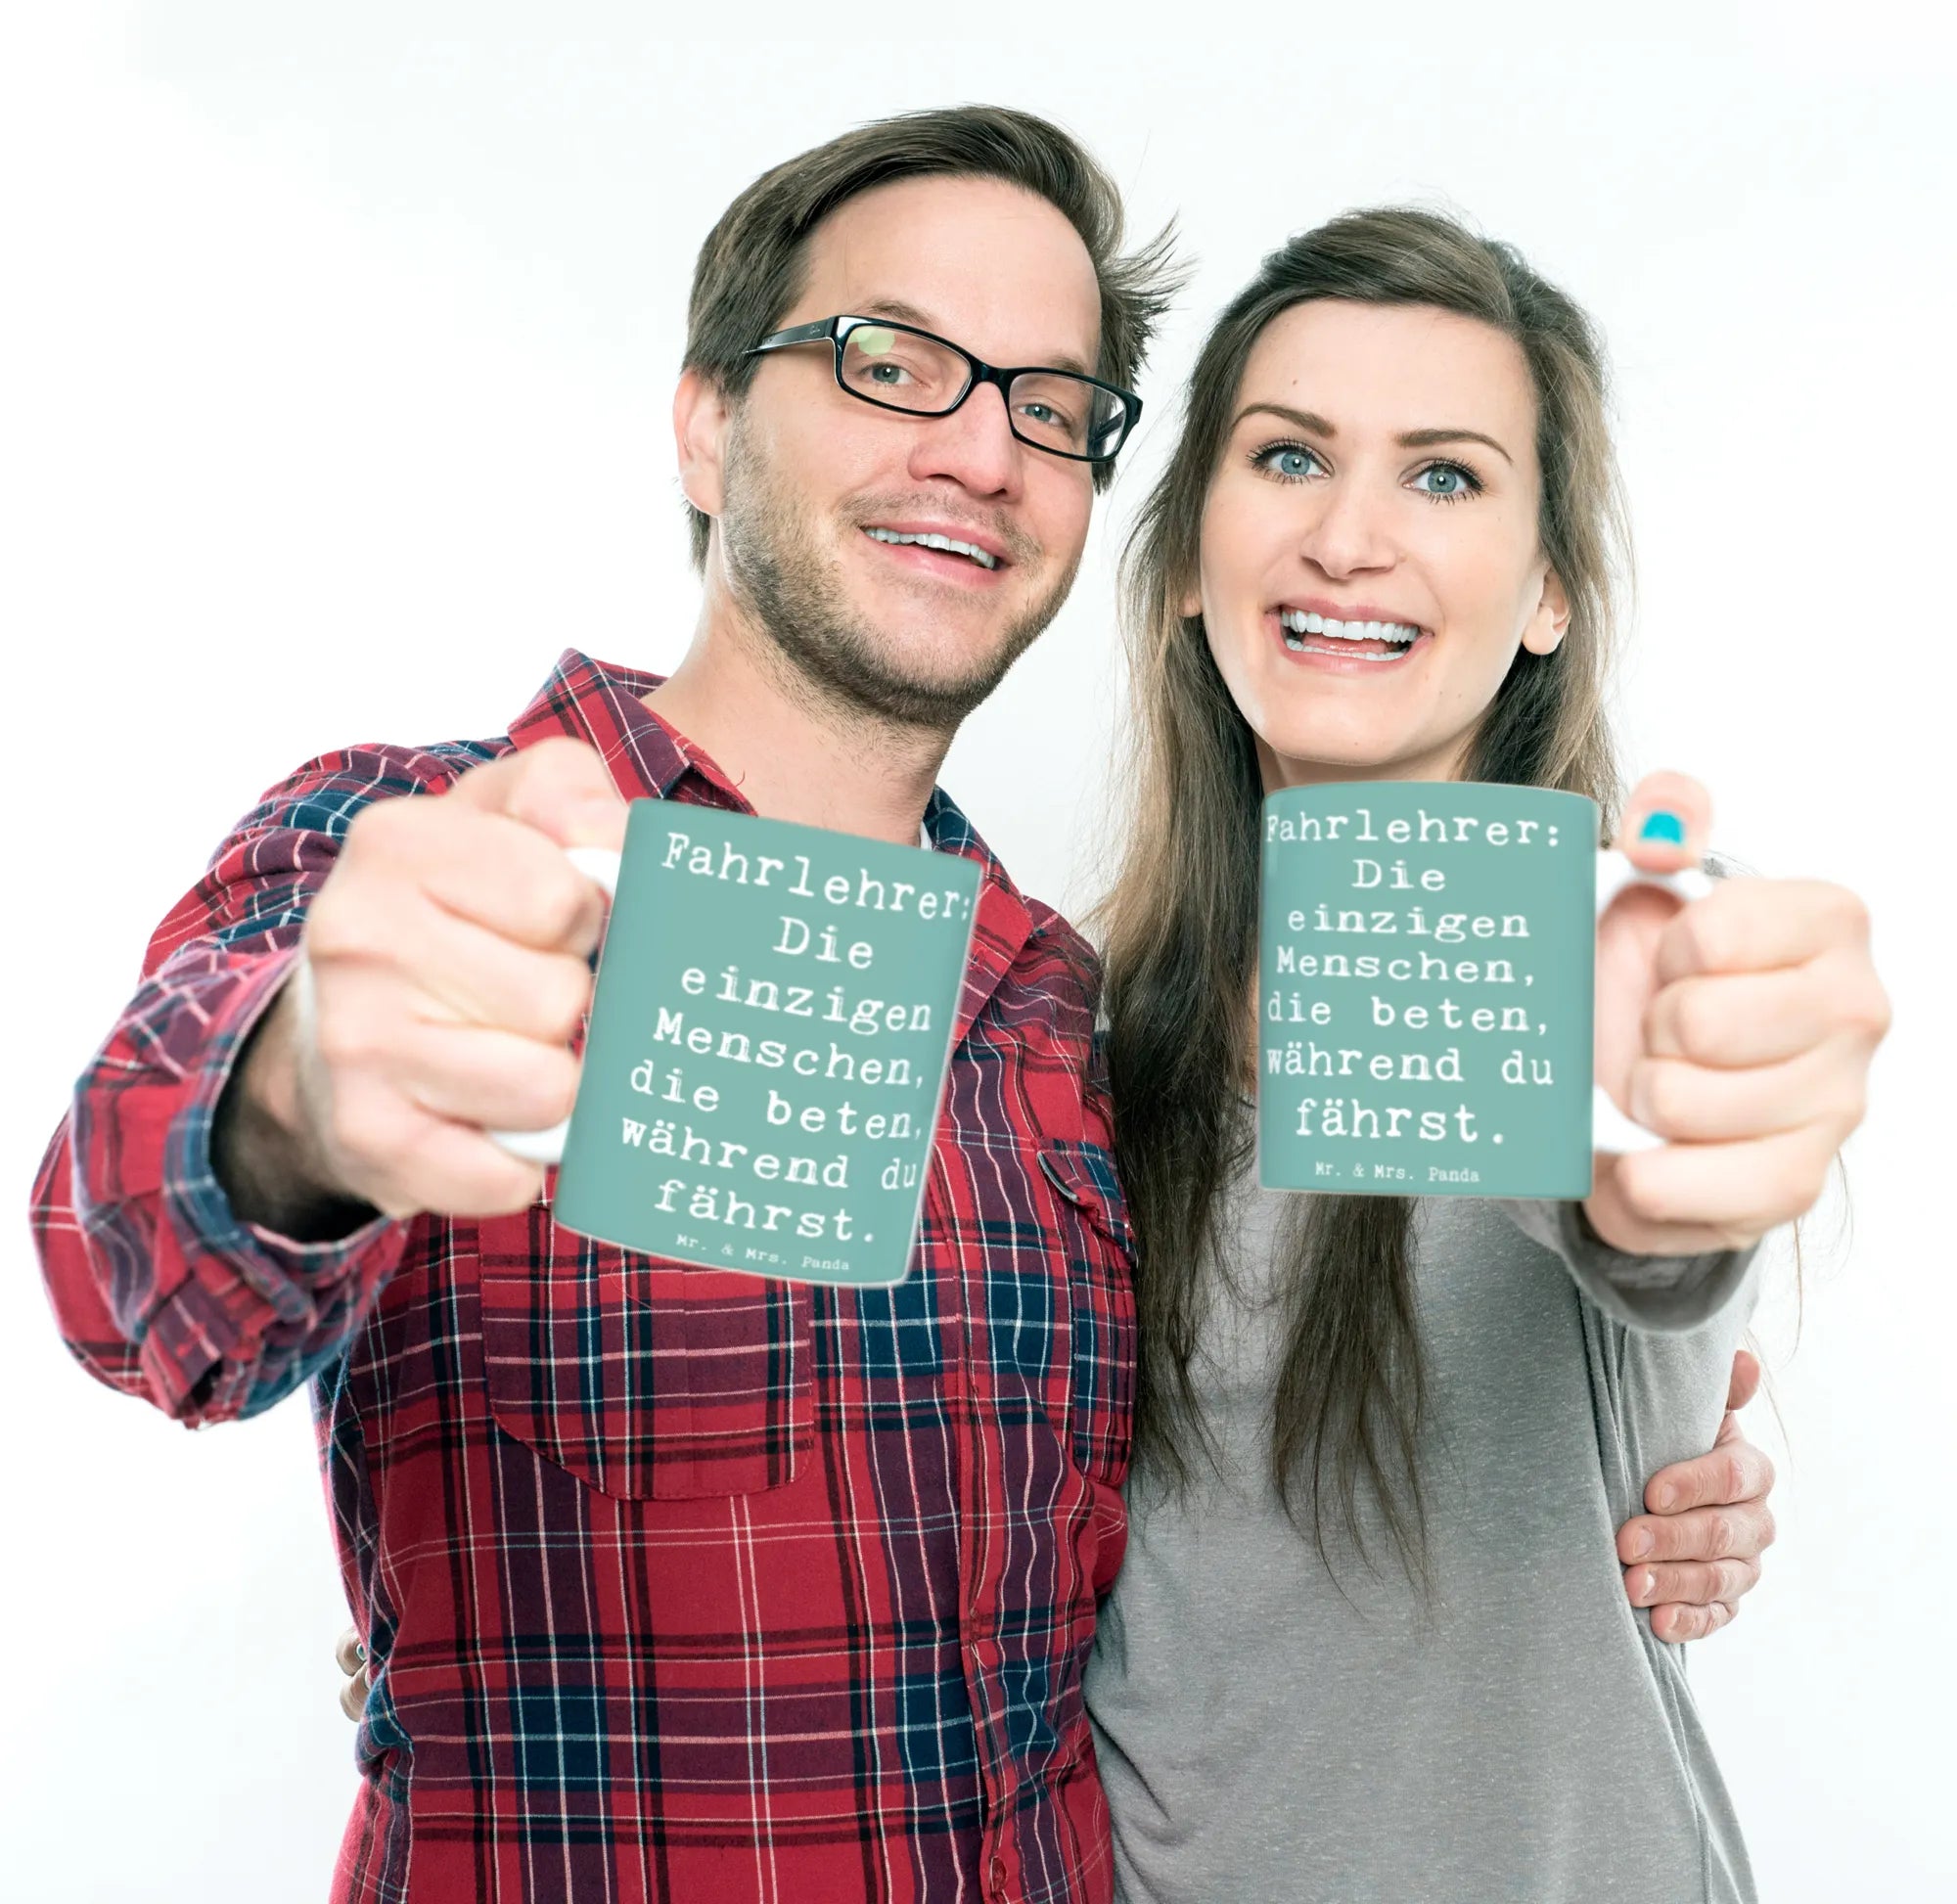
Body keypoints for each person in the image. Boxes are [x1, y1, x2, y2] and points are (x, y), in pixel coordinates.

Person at [35, 107, 1788, 1904]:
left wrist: (1666, 1393)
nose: (978, 449)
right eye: (891, 362)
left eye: (1048, 403)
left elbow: (1598, 1230)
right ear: (707, 421)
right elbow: (124, 1255)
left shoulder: (1059, 1016)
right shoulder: (425, 851)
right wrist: (301, 1100)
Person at [1084, 208, 1890, 1902]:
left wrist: (1686, 1142)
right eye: (1289, 457)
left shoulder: (1613, 956)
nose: (1349, 538)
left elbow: (1646, 1210)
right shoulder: (1077, 1038)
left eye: (1444, 476)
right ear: (1185, 561)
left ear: (1546, 595)